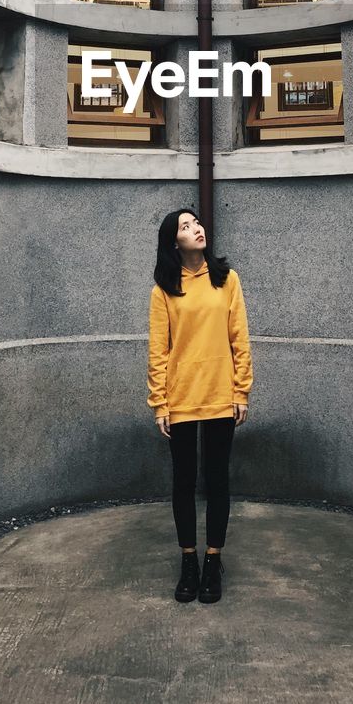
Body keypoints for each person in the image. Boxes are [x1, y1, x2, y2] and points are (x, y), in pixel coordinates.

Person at [147, 208, 254, 604]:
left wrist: (241, 391)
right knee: (183, 482)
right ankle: (188, 559)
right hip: (181, 399)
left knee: (217, 480)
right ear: (174, 242)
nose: (197, 229)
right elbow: (159, 350)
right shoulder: (164, 289)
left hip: (220, 395)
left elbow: (239, 339)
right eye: (186, 227)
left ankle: (214, 560)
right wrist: (160, 403)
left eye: (197, 223)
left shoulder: (227, 280)